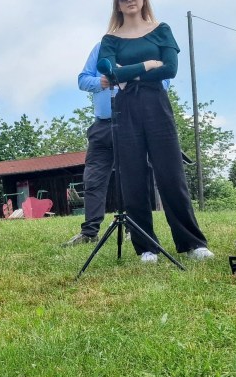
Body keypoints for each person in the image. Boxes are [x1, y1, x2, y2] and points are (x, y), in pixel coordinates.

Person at [98, 0, 213, 264]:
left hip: (156, 104)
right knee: (133, 177)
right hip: (125, 108)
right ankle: (146, 247)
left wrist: (129, 72)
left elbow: (171, 69)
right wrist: (148, 65)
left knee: (171, 174)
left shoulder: (161, 30)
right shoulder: (110, 39)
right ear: (118, 4)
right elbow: (108, 74)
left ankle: (191, 243)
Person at [65, 42, 171, 247]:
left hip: (132, 122)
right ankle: (89, 232)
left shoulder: (145, 47)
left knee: (135, 177)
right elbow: (83, 80)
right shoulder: (100, 48)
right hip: (102, 125)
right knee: (93, 178)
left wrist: (133, 80)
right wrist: (103, 82)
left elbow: (164, 83)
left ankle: (136, 228)